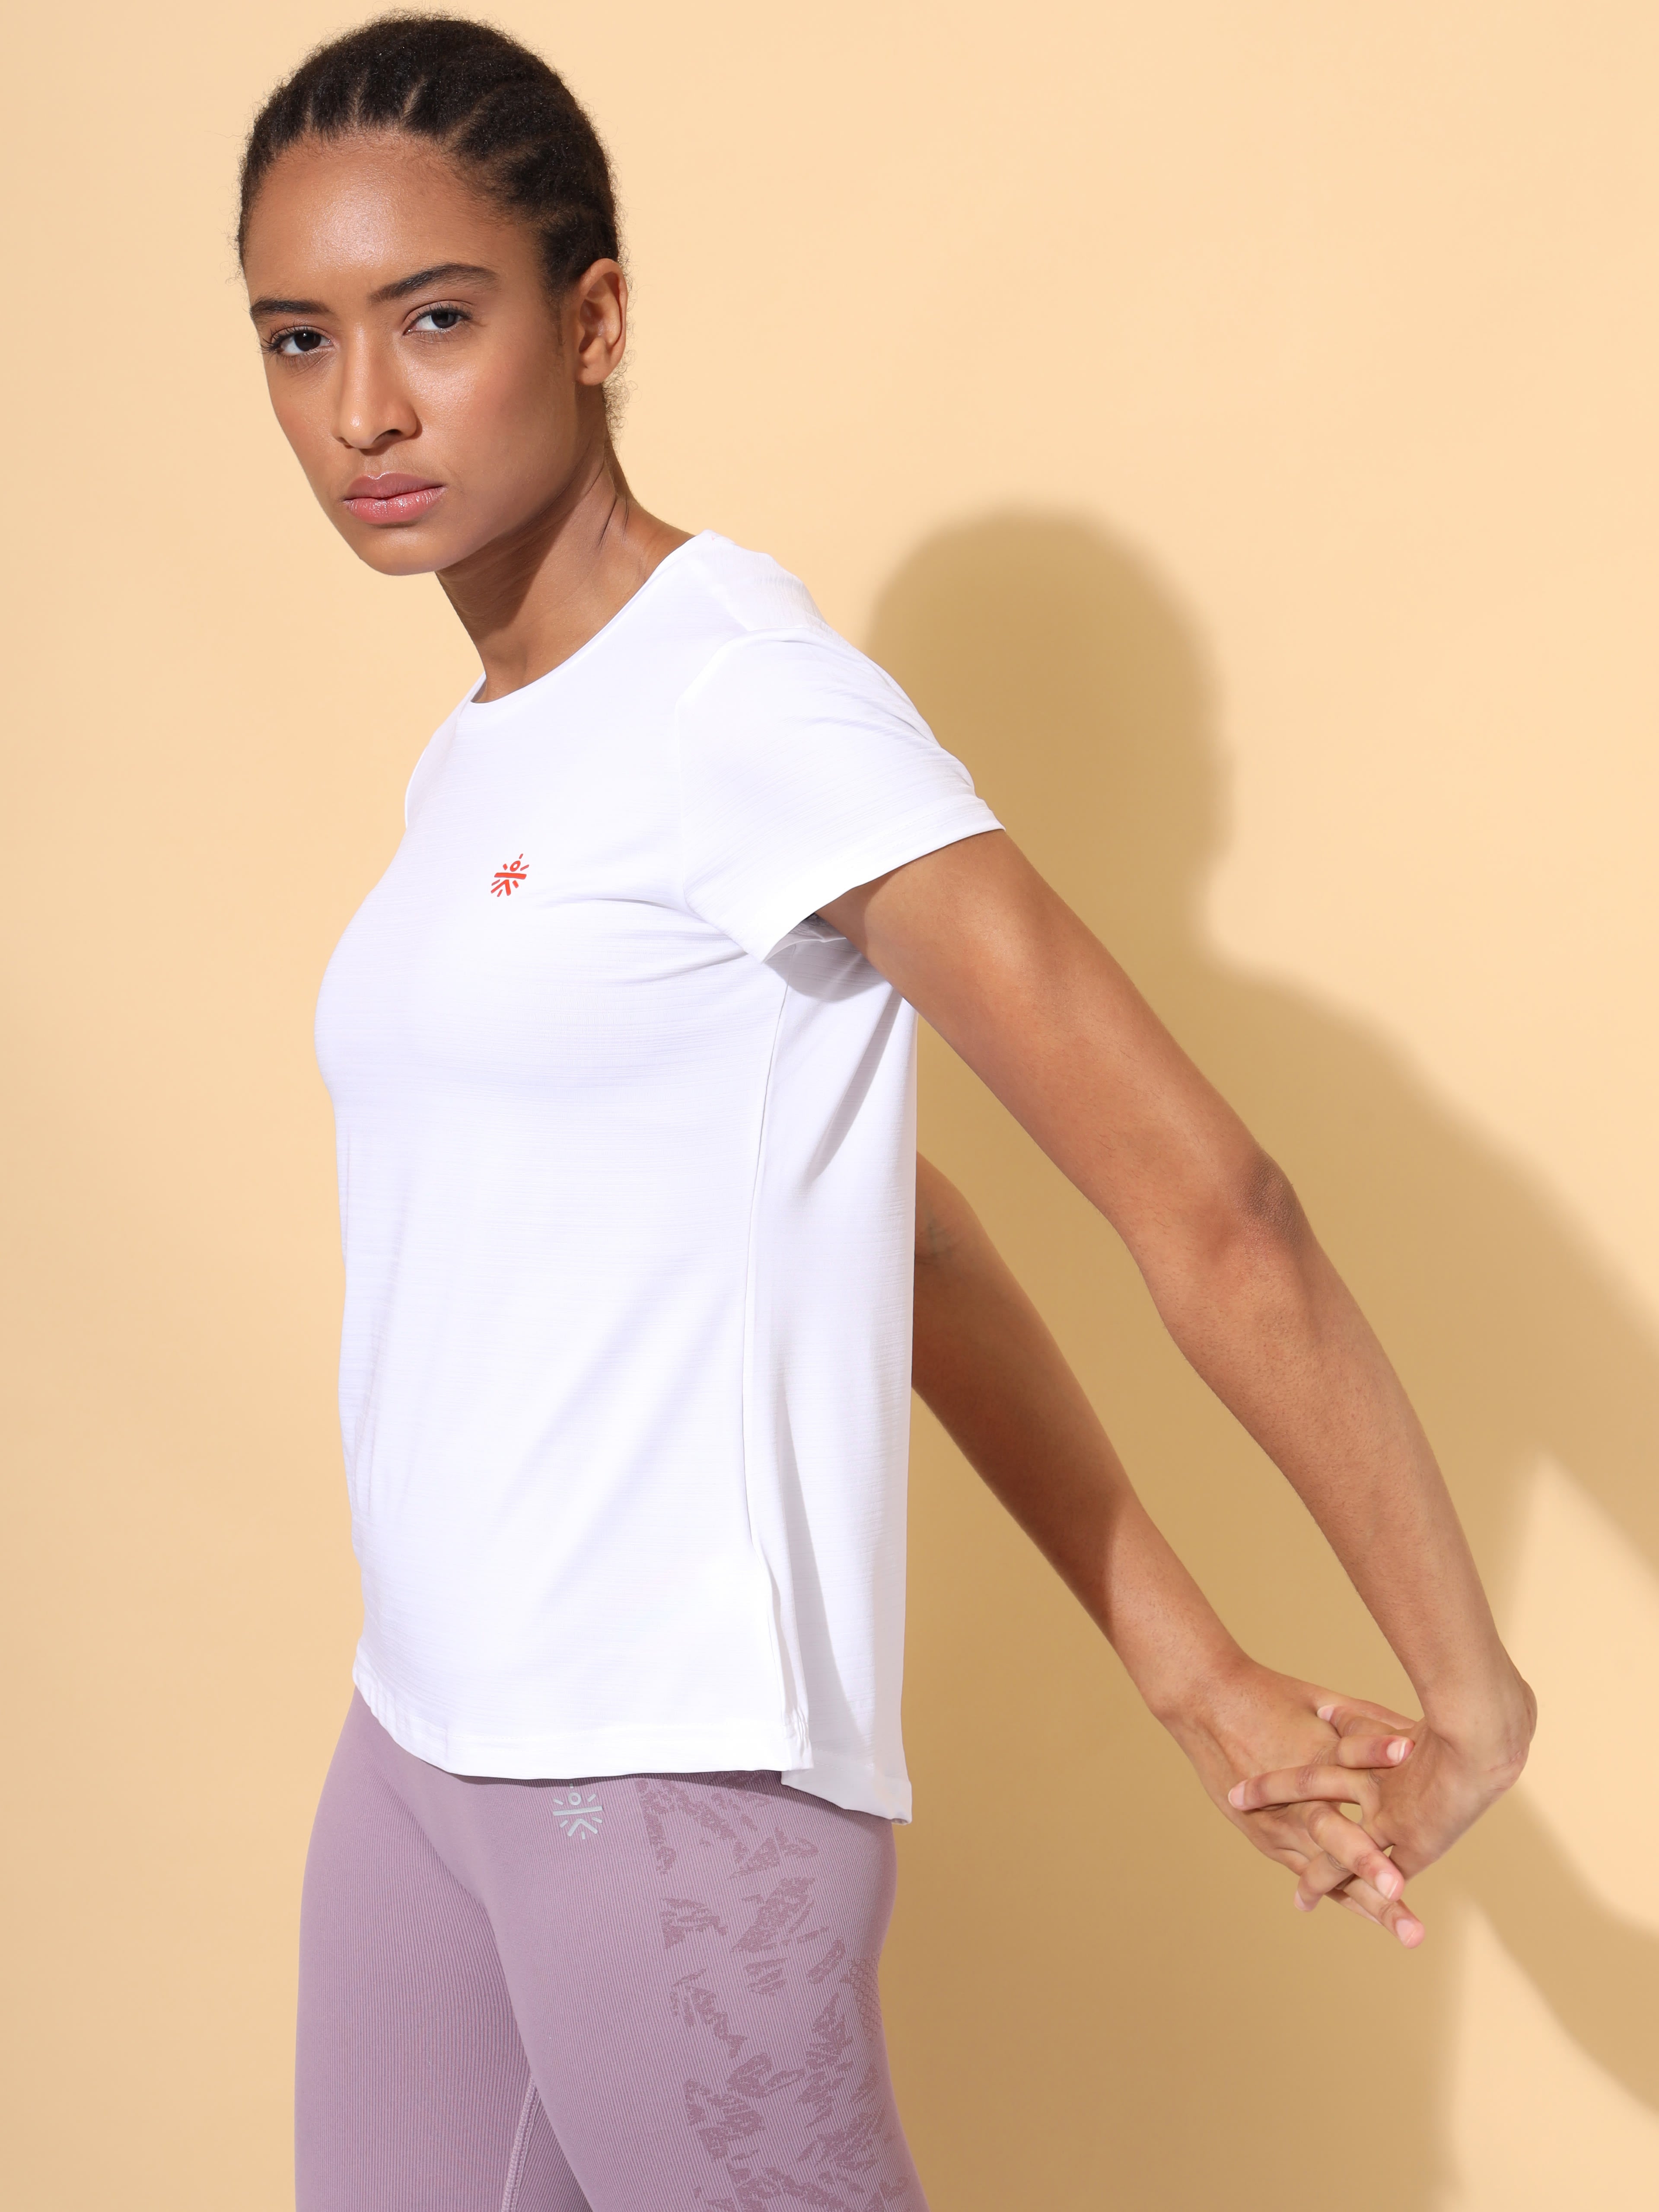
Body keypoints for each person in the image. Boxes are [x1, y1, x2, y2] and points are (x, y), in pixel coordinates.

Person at [236, 17, 1535, 2209]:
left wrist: (1468, 1689)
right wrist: (1188, 1657)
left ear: (594, 318)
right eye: (299, 338)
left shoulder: (747, 702)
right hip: (421, 1757)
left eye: (435, 319)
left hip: (663, 1790)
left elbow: (1217, 1197)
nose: (363, 405)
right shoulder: (497, 740)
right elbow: (893, 1235)